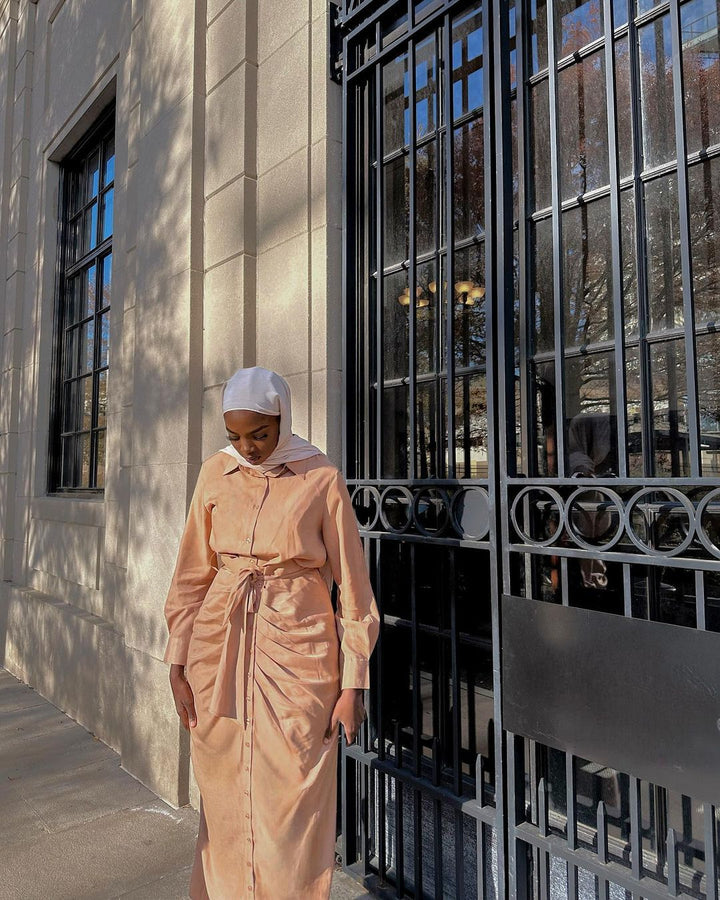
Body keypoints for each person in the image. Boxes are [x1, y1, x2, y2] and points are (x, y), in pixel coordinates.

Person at [163, 366, 379, 899]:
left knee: (292, 800)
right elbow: (192, 572)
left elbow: (354, 588)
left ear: (282, 418)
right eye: (235, 435)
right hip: (219, 647)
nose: (249, 447)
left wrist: (353, 684)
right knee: (225, 795)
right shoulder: (215, 473)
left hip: (298, 653)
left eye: (259, 433)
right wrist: (176, 662)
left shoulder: (320, 476)